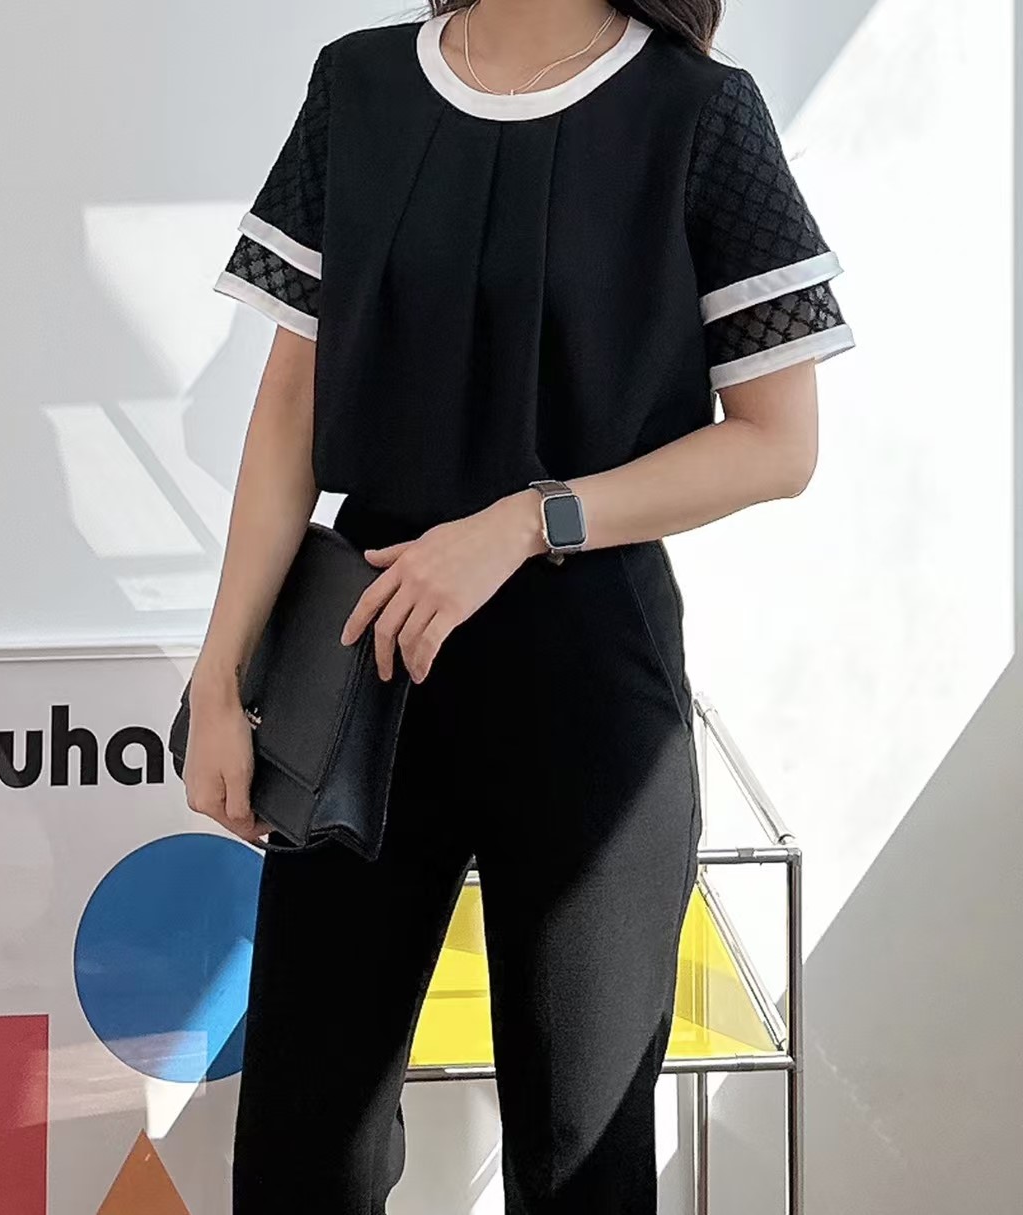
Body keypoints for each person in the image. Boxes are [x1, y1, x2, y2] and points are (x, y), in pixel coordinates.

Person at [184, 1, 856, 1210]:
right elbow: (289, 408)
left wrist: (524, 524)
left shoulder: (698, 112)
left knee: (584, 1155)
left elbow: (777, 443)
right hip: (361, 659)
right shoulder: (359, 86)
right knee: (300, 1145)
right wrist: (221, 676)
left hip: (587, 670)